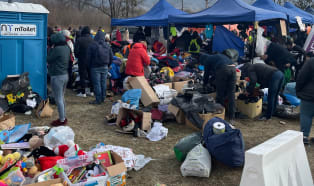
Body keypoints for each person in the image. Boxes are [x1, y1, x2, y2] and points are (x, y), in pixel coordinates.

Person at [199, 53, 236, 121]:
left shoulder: (207, 60)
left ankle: (220, 114)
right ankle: (232, 117)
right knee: (231, 93)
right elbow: (215, 73)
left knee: (220, 93)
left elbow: (206, 74)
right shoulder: (216, 57)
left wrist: (204, 84)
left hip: (223, 68)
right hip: (233, 68)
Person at [47, 33, 70, 126]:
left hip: (57, 76)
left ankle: (61, 120)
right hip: (65, 75)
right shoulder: (66, 48)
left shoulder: (56, 49)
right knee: (62, 97)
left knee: (58, 99)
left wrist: (50, 49)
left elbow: (48, 59)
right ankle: (63, 116)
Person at [87, 31, 113, 104]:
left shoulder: (92, 45)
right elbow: (111, 57)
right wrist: (108, 65)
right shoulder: (107, 45)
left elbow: (88, 58)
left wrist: (89, 66)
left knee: (97, 84)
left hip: (95, 67)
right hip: (105, 67)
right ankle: (103, 98)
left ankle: (98, 100)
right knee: (103, 83)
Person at [296, 58, 314, 144]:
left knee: (306, 115)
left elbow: (302, 76)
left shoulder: (311, 61)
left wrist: (298, 90)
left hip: (309, 93)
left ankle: (304, 136)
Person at [74, 26, 94, 97]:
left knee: (82, 76)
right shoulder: (92, 40)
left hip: (82, 60)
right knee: (91, 75)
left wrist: (78, 56)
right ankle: (91, 91)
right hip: (91, 60)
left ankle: (83, 92)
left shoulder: (79, 40)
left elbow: (76, 51)